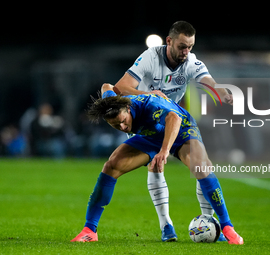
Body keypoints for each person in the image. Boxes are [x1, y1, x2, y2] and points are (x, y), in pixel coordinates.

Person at [70, 84, 243, 245]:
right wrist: (109, 98)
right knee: (111, 166)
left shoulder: (150, 106)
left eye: (123, 121)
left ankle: (227, 226)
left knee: (201, 167)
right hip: (150, 137)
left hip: (182, 130)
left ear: (128, 109)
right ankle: (90, 230)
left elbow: (173, 118)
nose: (122, 127)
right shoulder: (113, 105)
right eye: (115, 125)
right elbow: (106, 86)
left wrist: (165, 151)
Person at [112, 21, 233, 241]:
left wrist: (222, 92)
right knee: (155, 165)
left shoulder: (191, 62)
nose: (186, 51)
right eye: (182, 46)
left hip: (172, 121)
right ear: (169, 41)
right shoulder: (150, 57)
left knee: (201, 165)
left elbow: (209, 81)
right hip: (144, 120)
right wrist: (147, 95)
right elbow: (120, 88)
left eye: (190, 46)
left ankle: (210, 221)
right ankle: (166, 226)